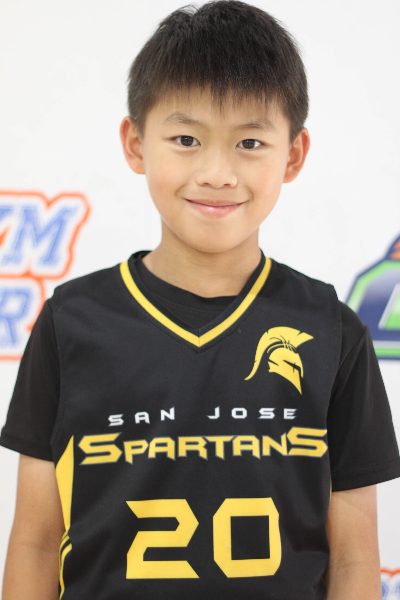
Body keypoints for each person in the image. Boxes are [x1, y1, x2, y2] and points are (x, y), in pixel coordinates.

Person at [1, 1, 399, 599]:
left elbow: (354, 559)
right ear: (136, 143)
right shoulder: (72, 323)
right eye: (186, 139)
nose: (217, 173)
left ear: (293, 155)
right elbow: (34, 541)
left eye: (250, 142)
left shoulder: (330, 331)